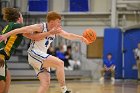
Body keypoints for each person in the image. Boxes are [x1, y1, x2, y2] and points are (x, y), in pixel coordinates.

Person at [0, 11, 89, 93]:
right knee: (60, 63)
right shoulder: (40, 27)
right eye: (58, 21)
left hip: (41, 56)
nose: (60, 24)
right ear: (52, 22)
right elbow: (20, 30)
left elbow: (69, 35)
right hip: (34, 53)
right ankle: (64, 90)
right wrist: (5, 35)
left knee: (45, 83)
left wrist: (81, 38)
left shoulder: (56, 30)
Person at [0, 7, 24, 93]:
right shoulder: (17, 26)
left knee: (7, 76)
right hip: (0, 56)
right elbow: (32, 31)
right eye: (21, 16)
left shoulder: (10, 25)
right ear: (19, 17)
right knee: (1, 81)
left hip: (2, 54)